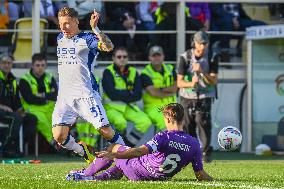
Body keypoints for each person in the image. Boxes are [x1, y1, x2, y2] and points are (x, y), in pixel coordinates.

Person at [66, 103, 213, 182]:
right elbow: (200, 174)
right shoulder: (194, 143)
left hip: (138, 169)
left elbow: (138, 152)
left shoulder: (164, 136)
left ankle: (85, 174)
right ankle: (100, 178)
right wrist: (212, 180)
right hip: (156, 178)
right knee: (122, 163)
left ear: (167, 119)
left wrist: (113, 154)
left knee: (114, 147)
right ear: (182, 119)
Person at [52, 7, 125, 164]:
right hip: (65, 97)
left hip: (86, 94)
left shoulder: (87, 39)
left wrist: (95, 28)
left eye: (67, 23)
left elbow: (109, 47)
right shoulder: (60, 38)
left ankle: (128, 159)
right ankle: (84, 152)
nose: (63, 27)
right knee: (58, 135)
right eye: (60, 24)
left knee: (106, 131)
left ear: (76, 21)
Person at [177, 31, 218, 163]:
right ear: (194, 43)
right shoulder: (184, 57)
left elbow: (213, 80)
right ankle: (191, 151)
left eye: (206, 43)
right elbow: (179, 82)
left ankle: (205, 152)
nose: (203, 46)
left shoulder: (212, 56)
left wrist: (202, 72)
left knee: (203, 122)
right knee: (188, 124)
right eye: (201, 43)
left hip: (205, 95)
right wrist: (191, 83)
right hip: (187, 96)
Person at [102, 47, 152, 145]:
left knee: (145, 121)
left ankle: (128, 145)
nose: (122, 59)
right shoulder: (108, 71)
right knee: (121, 122)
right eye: (119, 57)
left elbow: (138, 95)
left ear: (128, 58)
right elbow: (112, 94)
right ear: (114, 58)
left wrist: (121, 93)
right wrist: (129, 93)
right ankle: (119, 145)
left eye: (124, 57)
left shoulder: (133, 71)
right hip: (113, 108)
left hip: (130, 108)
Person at [0, 54, 37, 157]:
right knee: (15, 118)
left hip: (10, 112)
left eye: (9, 63)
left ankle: (19, 146)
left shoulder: (13, 80)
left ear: (11, 65)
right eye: (4, 63)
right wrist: (2, 106)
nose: (6, 65)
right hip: (1, 111)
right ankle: (6, 149)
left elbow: (16, 100)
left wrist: (21, 110)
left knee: (31, 118)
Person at [19, 53, 58, 149]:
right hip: (32, 108)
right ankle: (55, 143)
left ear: (45, 66)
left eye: (42, 65)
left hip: (49, 108)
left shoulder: (49, 77)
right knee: (42, 120)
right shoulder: (25, 79)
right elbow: (29, 98)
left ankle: (64, 142)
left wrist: (41, 95)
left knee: (60, 119)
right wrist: (47, 97)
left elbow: (55, 95)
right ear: (32, 65)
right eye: (37, 65)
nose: (40, 68)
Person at [140, 45, 177, 131]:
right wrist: (169, 91)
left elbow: (176, 87)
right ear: (149, 58)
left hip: (172, 107)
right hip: (154, 108)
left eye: (158, 55)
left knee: (184, 121)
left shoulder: (170, 68)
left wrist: (161, 89)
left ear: (163, 56)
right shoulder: (145, 73)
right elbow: (153, 93)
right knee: (167, 123)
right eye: (154, 56)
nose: (156, 58)